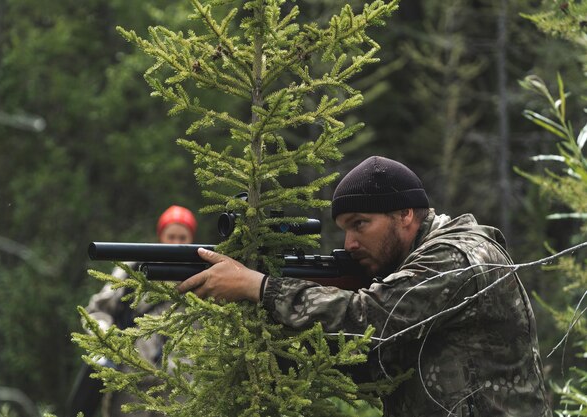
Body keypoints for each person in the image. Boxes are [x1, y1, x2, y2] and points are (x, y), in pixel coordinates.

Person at [176, 156, 552, 417]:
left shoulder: (458, 256)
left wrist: (258, 286)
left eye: (360, 224)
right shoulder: (416, 263)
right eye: (344, 229)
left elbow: (369, 319)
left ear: (405, 214)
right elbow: (369, 365)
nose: (349, 244)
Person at [84, 205, 197, 417]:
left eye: (183, 237)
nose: (176, 243)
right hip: (132, 386)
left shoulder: (203, 275)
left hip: (182, 389)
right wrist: (109, 342)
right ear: (160, 236)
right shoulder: (134, 268)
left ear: (192, 237)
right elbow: (97, 311)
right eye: (171, 236)